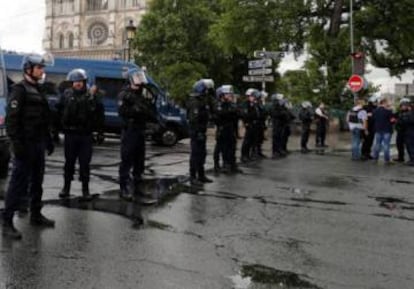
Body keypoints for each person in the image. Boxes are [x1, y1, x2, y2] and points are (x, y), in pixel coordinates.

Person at [2, 53, 55, 240]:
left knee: (37, 182)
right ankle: (7, 222)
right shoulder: (19, 90)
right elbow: (11, 121)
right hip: (25, 144)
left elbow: (43, 118)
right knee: (18, 184)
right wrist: (16, 144)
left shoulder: (39, 90)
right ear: (28, 69)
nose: (42, 71)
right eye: (39, 67)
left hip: (38, 143)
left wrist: (48, 140)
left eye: (42, 67)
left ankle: (36, 214)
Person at [57, 69, 105, 200]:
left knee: (85, 164)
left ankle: (85, 189)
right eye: (75, 81)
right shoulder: (66, 95)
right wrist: (54, 131)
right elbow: (58, 111)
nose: (77, 84)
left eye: (80, 81)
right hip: (70, 134)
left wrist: (100, 133)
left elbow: (99, 115)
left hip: (85, 134)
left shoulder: (92, 96)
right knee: (69, 163)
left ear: (84, 82)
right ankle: (66, 188)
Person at [118, 68, 157, 201]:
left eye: (141, 77)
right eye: (137, 78)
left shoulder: (142, 94)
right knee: (127, 159)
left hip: (140, 130)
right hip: (130, 130)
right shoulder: (125, 94)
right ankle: (124, 188)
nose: (140, 81)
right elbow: (123, 112)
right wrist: (136, 110)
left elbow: (149, 110)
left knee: (139, 161)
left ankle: (138, 187)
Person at [186, 79, 215, 185]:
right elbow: (193, 119)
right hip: (196, 131)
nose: (207, 92)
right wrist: (198, 131)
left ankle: (201, 175)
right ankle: (193, 177)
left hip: (202, 131)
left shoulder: (203, 100)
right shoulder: (194, 101)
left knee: (202, 153)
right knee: (195, 154)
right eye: (207, 90)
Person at [213, 85, 240, 173]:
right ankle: (219, 165)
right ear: (221, 95)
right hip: (222, 129)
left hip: (230, 129)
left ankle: (232, 165)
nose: (230, 96)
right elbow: (221, 115)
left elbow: (236, 114)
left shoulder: (230, 104)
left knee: (232, 147)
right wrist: (231, 113)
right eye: (227, 94)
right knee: (220, 148)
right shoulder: (218, 105)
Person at [240, 88, 260, 162]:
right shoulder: (245, 104)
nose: (254, 98)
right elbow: (245, 115)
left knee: (252, 141)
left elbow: (258, 114)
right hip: (249, 124)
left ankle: (249, 155)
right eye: (253, 96)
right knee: (247, 141)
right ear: (248, 96)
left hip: (254, 125)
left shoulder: (254, 104)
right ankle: (244, 155)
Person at [372, 97, 394, 164]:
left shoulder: (375, 111)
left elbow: (373, 119)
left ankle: (375, 159)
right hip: (387, 130)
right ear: (384, 103)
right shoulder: (388, 111)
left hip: (378, 130)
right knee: (386, 145)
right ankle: (386, 160)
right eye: (387, 102)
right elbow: (392, 120)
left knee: (377, 144)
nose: (388, 103)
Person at [269, 94, 289, 158]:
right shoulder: (274, 105)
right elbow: (275, 114)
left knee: (280, 138)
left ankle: (278, 150)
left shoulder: (280, 106)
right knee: (276, 138)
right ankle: (275, 152)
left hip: (280, 124)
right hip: (276, 124)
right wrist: (283, 113)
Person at [393, 98, 410, 162]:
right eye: (402, 105)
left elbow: (407, 121)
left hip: (407, 132)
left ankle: (412, 159)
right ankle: (401, 158)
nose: (403, 106)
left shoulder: (410, 112)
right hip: (400, 131)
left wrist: (398, 121)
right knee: (399, 144)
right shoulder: (399, 112)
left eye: (405, 105)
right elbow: (393, 117)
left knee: (409, 146)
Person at [361, 95, 377, 160]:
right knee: (366, 141)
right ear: (372, 102)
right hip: (366, 127)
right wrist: (365, 129)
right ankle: (363, 154)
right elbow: (364, 119)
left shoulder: (375, 108)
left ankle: (368, 153)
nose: (376, 103)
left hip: (372, 128)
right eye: (375, 102)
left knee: (370, 141)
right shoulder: (366, 109)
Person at [398, 100, 414, 166]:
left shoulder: (409, 113)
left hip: (409, 132)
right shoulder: (408, 113)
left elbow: (409, 121)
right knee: (409, 146)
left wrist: (401, 120)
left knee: (410, 146)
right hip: (408, 132)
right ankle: (411, 159)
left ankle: (412, 160)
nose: (402, 107)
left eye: (403, 106)